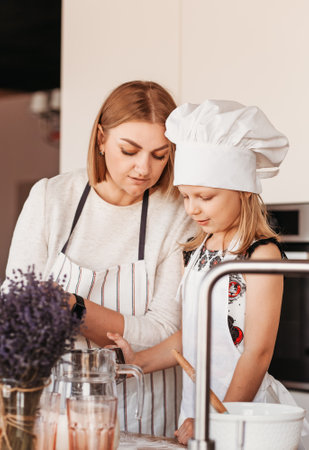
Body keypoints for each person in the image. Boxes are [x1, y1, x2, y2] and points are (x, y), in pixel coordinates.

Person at [5, 80, 198, 437]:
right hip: (60, 409)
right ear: (101, 138)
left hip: (146, 412)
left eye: (160, 154)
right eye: (130, 150)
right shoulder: (51, 198)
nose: (144, 168)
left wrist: (71, 308)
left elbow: (162, 332)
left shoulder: (178, 213)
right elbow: (17, 310)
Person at [107, 99, 307, 445]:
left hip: (243, 417)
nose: (192, 208)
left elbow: (257, 352)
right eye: (186, 196)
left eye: (205, 196)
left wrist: (217, 419)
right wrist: (139, 360)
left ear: (243, 192)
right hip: (196, 414)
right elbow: (195, 333)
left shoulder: (260, 255)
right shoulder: (197, 250)